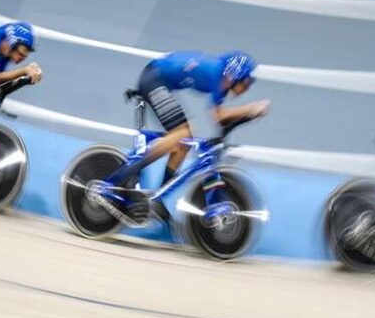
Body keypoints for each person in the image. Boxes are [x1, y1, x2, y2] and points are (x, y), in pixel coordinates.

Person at [101, 50, 270, 216]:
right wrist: (252, 109)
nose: (248, 88)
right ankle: (117, 179)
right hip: (153, 78)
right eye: (247, 82)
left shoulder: (224, 80)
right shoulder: (217, 76)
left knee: (184, 141)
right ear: (235, 77)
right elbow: (219, 116)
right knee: (182, 134)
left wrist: (245, 118)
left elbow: (222, 124)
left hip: (159, 79)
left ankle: (158, 198)